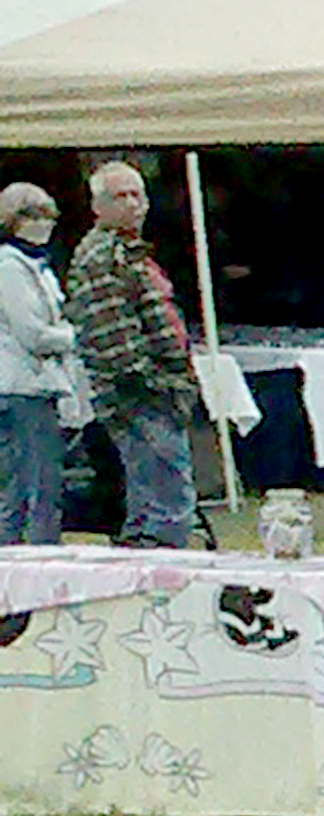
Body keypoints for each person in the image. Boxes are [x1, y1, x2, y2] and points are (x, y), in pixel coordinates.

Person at [68, 158, 200, 547]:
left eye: (137, 195)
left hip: (149, 391)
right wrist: (160, 384)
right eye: (120, 196)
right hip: (140, 394)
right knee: (168, 500)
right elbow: (115, 339)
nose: (133, 204)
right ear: (98, 207)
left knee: (152, 495)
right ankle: (167, 582)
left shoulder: (128, 251)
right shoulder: (103, 256)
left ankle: (151, 562)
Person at [0, 179, 73, 545]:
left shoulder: (36, 265)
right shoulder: (9, 267)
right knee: (32, 489)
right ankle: (27, 568)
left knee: (34, 485)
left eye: (49, 214)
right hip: (21, 389)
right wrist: (74, 337)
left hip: (36, 387)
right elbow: (33, 334)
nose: (45, 222)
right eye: (35, 214)